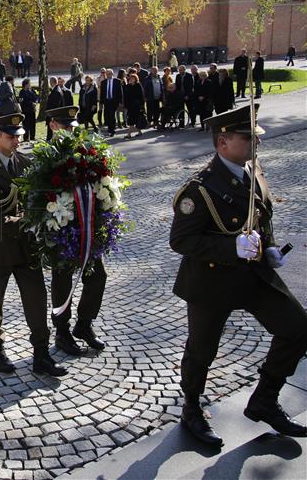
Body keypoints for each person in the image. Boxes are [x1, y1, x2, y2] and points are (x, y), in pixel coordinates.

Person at [169, 104, 307, 446]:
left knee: (298, 328)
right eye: (247, 138)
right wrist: (230, 248)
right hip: (212, 282)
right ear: (222, 142)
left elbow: (262, 215)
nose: (255, 144)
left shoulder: (253, 169)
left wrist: (269, 246)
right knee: (201, 351)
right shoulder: (199, 189)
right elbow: (181, 240)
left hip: (254, 277)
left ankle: (264, 400)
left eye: (254, 137)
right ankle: (191, 410)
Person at [0, 108, 66, 377]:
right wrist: (27, 221)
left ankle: (41, 354)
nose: (17, 140)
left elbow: (39, 200)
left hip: (26, 247)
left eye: (19, 136)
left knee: (36, 299)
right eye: (11, 136)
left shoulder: (25, 163)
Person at [45, 106, 107, 355]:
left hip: (87, 228)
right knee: (62, 280)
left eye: (72, 126)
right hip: (62, 229)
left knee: (98, 276)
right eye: (64, 126)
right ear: (52, 126)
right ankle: (62, 332)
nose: (70, 131)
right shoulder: (45, 156)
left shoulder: (85, 152)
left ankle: (84, 324)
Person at [123, 73, 145, 139]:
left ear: (136, 79)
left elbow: (141, 97)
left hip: (137, 106)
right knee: (134, 120)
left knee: (132, 120)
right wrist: (125, 105)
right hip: (129, 106)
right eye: (131, 78)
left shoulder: (138, 85)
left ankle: (128, 134)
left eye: (133, 78)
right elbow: (125, 96)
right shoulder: (127, 86)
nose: (131, 79)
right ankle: (139, 132)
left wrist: (142, 106)